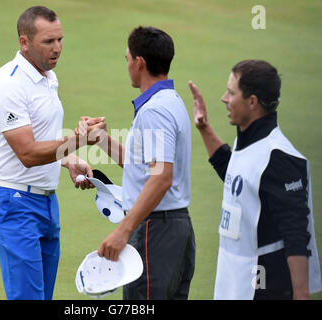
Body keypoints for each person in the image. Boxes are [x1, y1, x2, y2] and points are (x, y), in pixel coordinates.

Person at [0, 6, 104, 300]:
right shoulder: (9, 85)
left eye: (60, 40)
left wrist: (68, 159)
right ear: (24, 42)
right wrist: (77, 141)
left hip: (47, 203)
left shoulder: (48, 77)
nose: (57, 48)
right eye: (48, 42)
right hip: (14, 205)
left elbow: (43, 139)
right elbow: (28, 153)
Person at [188, 59, 322, 300]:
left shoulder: (280, 158)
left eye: (231, 92)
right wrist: (204, 127)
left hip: (264, 288)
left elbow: (296, 233)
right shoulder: (248, 140)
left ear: (252, 102)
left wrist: (301, 294)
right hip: (234, 283)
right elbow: (238, 178)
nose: (224, 98)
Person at [81, 26, 195, 300]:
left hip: (155, 232)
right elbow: (145, 167)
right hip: (176, 230)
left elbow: (161, 177)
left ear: (139, 63)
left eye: (127, 59)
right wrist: (101, 140)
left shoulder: (154, 111)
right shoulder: (170, 101)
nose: (127, 65)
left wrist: (123, 230)